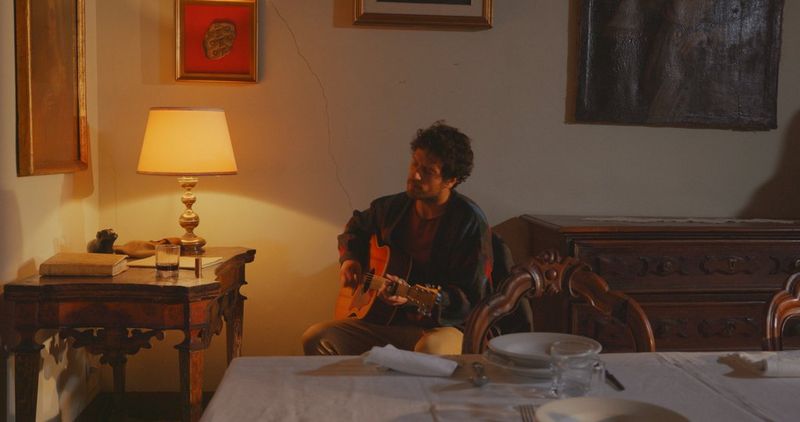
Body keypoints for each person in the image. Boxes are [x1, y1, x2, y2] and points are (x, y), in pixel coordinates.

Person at [302, 121, 492, 355]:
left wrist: (412, 298)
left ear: (451, 180)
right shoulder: (391, 208)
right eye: (415, 163)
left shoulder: (468, 223)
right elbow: (356, 228)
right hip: (386, 324)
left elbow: (471, 300)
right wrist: (350, 260)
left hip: (441, 328)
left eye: (428, 171)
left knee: (430, 349)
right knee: (318, 338)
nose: (415, 175)